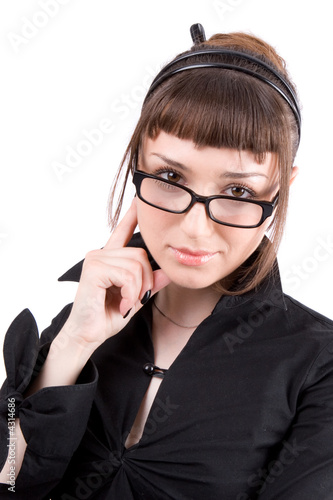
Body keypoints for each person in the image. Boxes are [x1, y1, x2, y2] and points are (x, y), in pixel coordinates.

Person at [0, 22, 332, 500]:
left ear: (282, 189)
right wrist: (73, 344)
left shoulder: (318, 364)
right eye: (170, 175)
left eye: (238, 191)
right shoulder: (86, 318)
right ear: (138, 163)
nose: (196, 228)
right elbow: (7, 478)